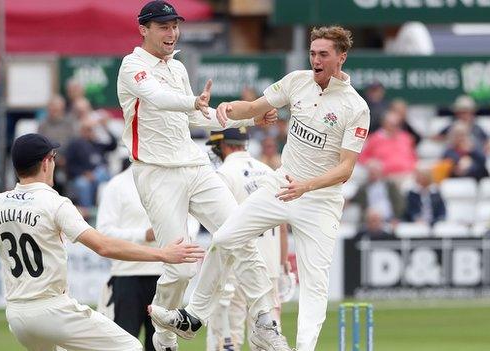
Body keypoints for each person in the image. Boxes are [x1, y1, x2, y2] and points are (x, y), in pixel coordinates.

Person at [149, 26, 370, 351]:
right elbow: (253, 109)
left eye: (324, 54)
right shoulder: (298, 81)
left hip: (319, 199)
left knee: (314, 285)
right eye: (312, 53)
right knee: (224, 238)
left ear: (341, 56)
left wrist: (306, 186)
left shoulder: (356, 107)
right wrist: (224, 111)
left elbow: (345, 169)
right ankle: (194, 316)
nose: (316, 60)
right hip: (282, 184)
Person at [0, 133, 205, 351]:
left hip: (18, 317)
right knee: (132, 347)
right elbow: (104, 246)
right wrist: (163, 253)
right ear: (47, 162)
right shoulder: (55, 203)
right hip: (52, 310)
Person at [117, 1, 277, 350]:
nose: (171, 33)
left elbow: (195, 118)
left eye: (175, 25)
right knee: (181, 265)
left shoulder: (177, 67)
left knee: (238, 233)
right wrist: (193, 102)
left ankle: (265, 319)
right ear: (143, 29)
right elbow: (157, 99)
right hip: (157, 173)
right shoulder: (132, 67)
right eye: (163, 26)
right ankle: (163, 333)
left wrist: (248, 119)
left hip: (195, 165)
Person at [96, 161, 199, 351]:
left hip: (165, 276)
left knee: (161, 344)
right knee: (123, 344)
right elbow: (103, 233)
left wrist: (176, 236)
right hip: (127, 275)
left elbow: (192, 221)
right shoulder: (117, 185)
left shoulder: (172, 182)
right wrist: (144, 234)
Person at [204, 128, 291, 351]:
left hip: (235, 269)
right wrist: (282, 265)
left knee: (226, 338)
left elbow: (221, 227)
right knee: (269, 338)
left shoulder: (223, 175)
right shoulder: (269, 173)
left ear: (224, 146)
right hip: (268, 268)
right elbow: (282, 224)